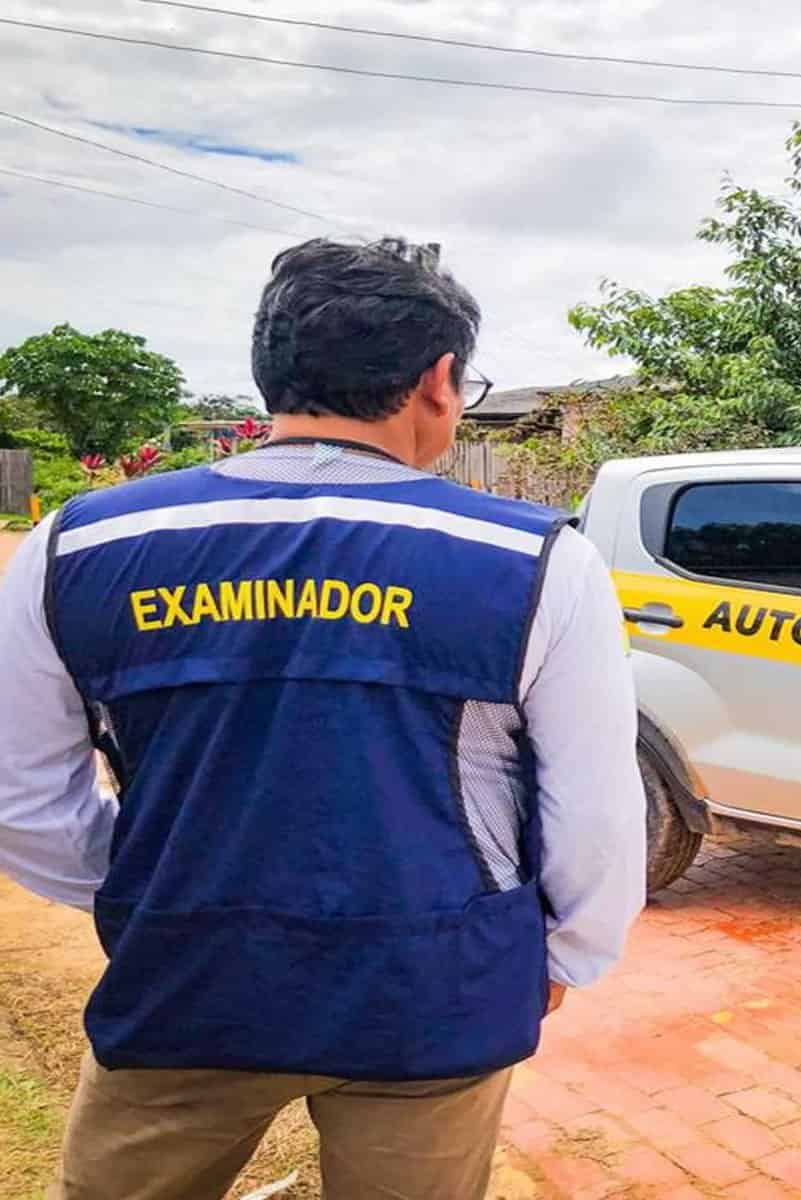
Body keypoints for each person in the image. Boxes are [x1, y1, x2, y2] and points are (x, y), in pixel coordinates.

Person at [0, 237, 647, 1199]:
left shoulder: (82, 542)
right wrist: (564, 956)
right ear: (439, 380)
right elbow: (594, 811)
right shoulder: (534, 562)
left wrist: (155, 892)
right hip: (431, 990)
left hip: (185, 983)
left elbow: (22, 799)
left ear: (272, 374)